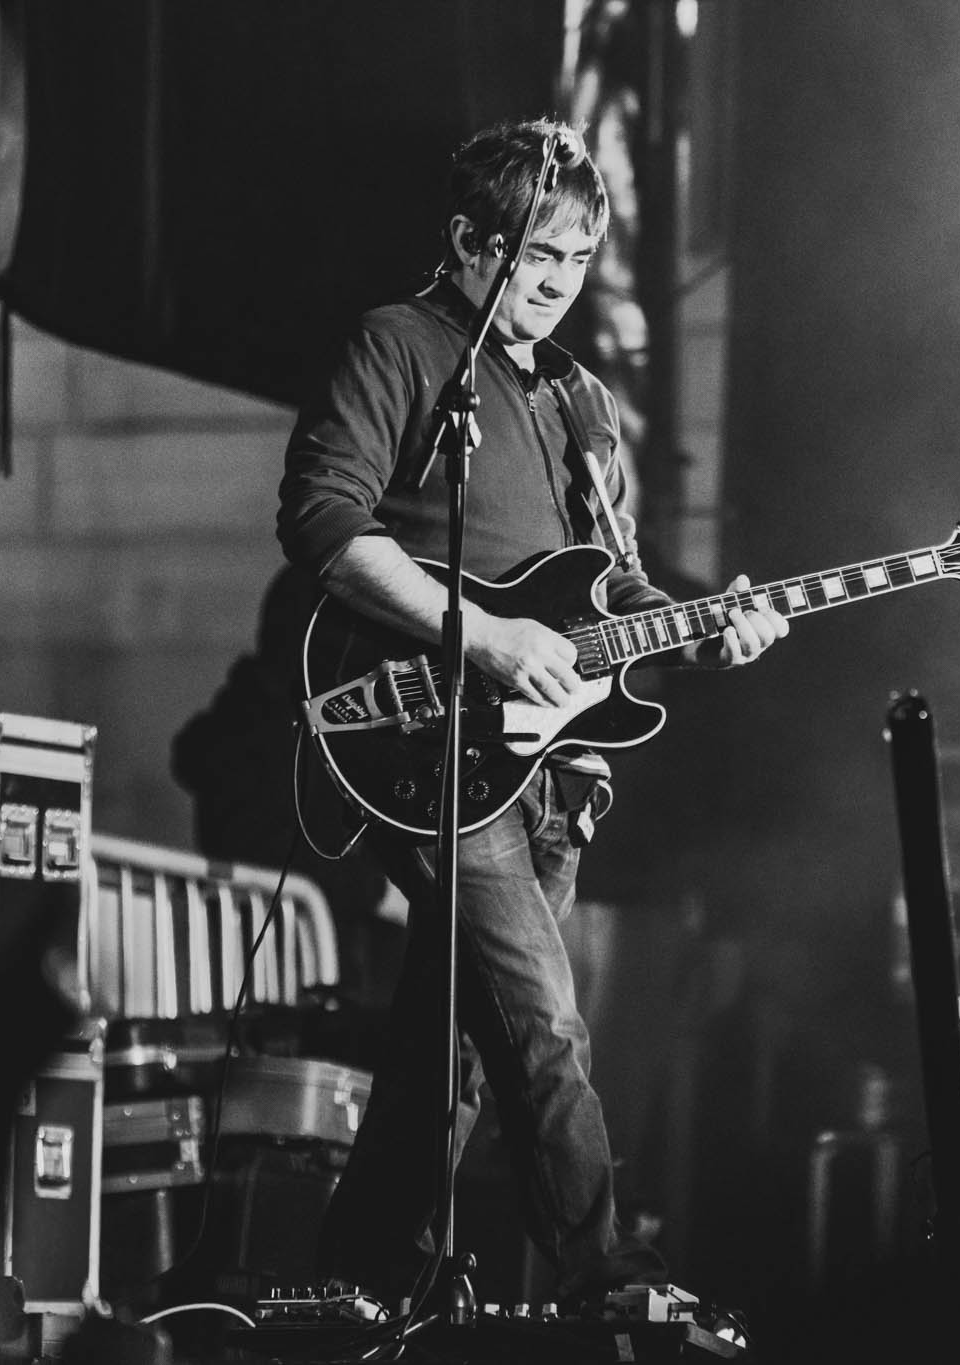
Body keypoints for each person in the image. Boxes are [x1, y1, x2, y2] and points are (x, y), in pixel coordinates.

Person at [276, 117, 788, 1309]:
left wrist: (708, 627)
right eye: (538, 257)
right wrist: (486, 635)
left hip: (549, 768)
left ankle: (352, 1285)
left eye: (577, 261)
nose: (560, 285)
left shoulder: (579, 401)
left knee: (456, 1049)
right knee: (545, 1024)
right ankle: (611, 1279)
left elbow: (619, 591)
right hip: (419, 734)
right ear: (467, 242)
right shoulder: (398, 345)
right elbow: (322, 522)